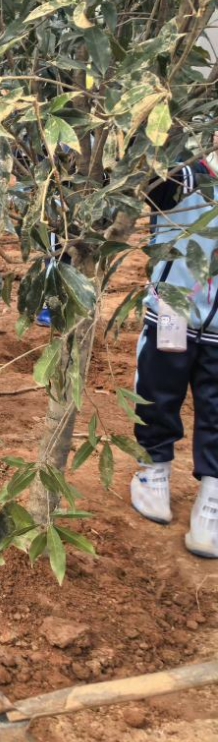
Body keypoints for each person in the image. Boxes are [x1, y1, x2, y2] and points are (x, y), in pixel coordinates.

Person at [129, 157, 218, 557]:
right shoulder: (183, 176)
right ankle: (154, 468)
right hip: (172, 312)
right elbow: (138, 174)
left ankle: (213, 494)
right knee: (155, 391)